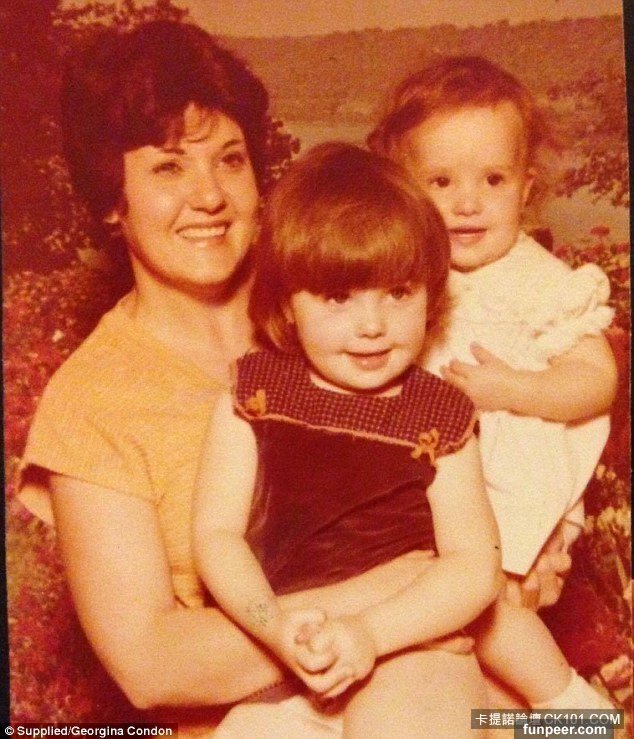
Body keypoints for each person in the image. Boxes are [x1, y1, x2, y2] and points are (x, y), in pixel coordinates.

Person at [17, 21, 446, 735]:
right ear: (111, 200)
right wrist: (389, 597)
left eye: (230, 160)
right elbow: (151, 666)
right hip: (256, 726)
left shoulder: (336, 308)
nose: (210, 195)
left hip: (434, 690)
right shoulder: (91, 402)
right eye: (168, 168)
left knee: (576, 727)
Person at [194, 142, 503, 738]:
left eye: (399, 292)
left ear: (431, 295)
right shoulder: (254, 393)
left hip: (413, 646)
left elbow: (474, 567)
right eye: (338, 297)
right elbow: (216, 536)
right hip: (291, 650)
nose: (372, 325)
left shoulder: (440, 413)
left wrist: (372, 634)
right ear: (287, 303)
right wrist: (274, 627)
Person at [368, 55, 617, 709]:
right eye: (440, 181)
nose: (467, 203)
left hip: (520, 477)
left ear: (526, 189)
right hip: (437, 484)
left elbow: (597, 380)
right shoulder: (405, 276)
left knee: (482, 601)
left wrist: (512, 390)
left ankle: (571, 709)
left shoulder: (542, 284)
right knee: (443, 631)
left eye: (493, 179)